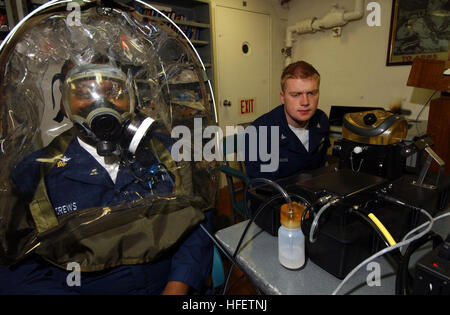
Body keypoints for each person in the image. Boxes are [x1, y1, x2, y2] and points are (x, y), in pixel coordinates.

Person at [0, 59, 213, 295]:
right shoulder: (35, 174)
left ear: (131, 98)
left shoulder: (170, 154)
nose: (99, 102)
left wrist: (178, 286)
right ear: (64, 103)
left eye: (114, 91)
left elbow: (198, 224)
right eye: (83, 92)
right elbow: (17, 269)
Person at [245, 60, 330, 181]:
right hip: (278, 197)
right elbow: (263, 186)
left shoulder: (322, 119)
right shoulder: (259, 132)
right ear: (283, 97)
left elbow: (322, 166)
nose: (305, 102)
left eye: (311, 93)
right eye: (296, 94)